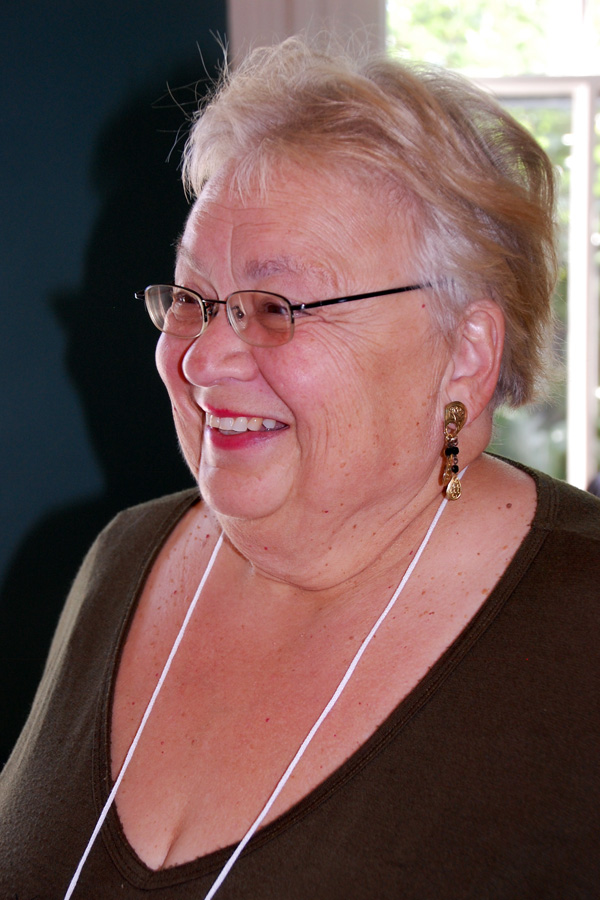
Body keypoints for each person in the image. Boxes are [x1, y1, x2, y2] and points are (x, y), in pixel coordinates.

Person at [1, 36, 598, 900]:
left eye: (275, 307)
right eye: (193, 300)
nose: (201, 359)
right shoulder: (122, 561)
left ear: (466, 352)